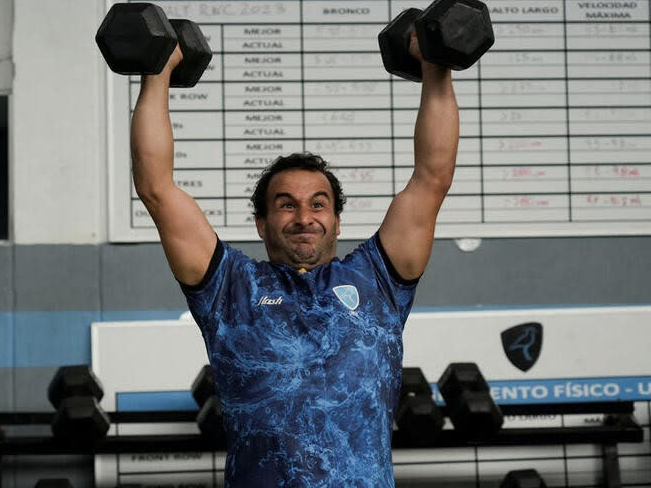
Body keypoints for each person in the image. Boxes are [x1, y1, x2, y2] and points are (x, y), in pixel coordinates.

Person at [131, 31, 458, 487]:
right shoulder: (230, 288)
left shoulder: (378, 281)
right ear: (262, 224)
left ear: (337, 221)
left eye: (318, 204)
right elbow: (156, 189)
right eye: (286, 204)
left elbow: (432, 178)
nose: (304, 217)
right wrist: (157, 72)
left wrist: (436, 67)